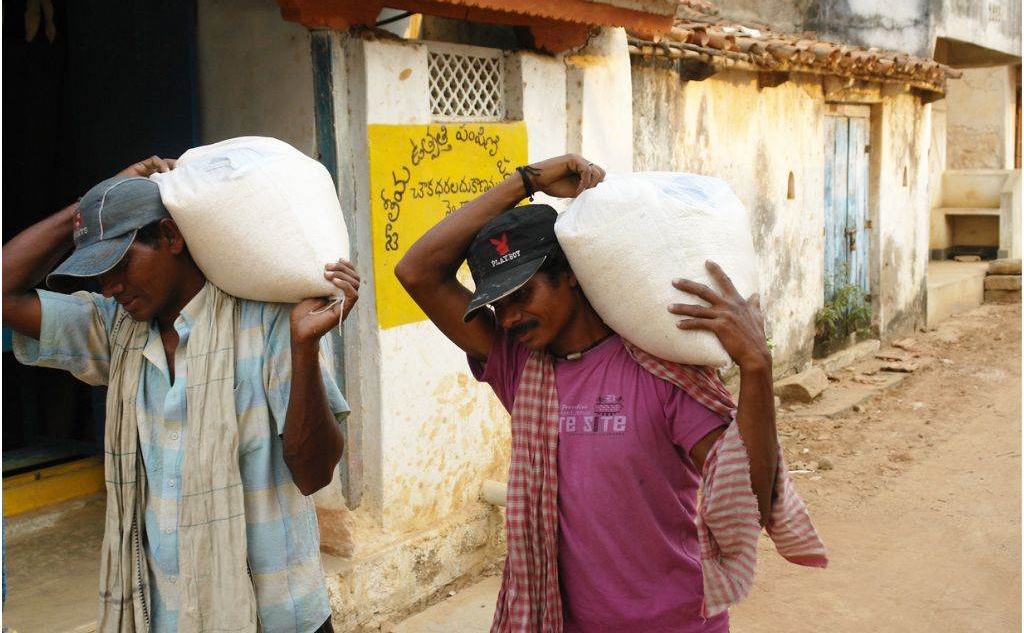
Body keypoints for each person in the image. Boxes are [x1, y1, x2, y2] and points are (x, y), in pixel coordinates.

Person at [395, 155, 824, 632]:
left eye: (523, 293)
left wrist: (757, 368)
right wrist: (525, 181)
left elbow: (751, 496)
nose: (510, 317)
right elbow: (417, 272)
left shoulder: (661, 372)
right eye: (498, 303)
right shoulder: (520, 367)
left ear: (570, 273)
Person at [2, 156, 359, 633]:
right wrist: (97, 204)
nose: (109, 288)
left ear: (170, 237)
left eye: (120, 263)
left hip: (276, 616)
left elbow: (314, 472)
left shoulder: (270, 323)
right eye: (98, 274)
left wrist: (303, 350)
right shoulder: (117, 331)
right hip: (166, 617)